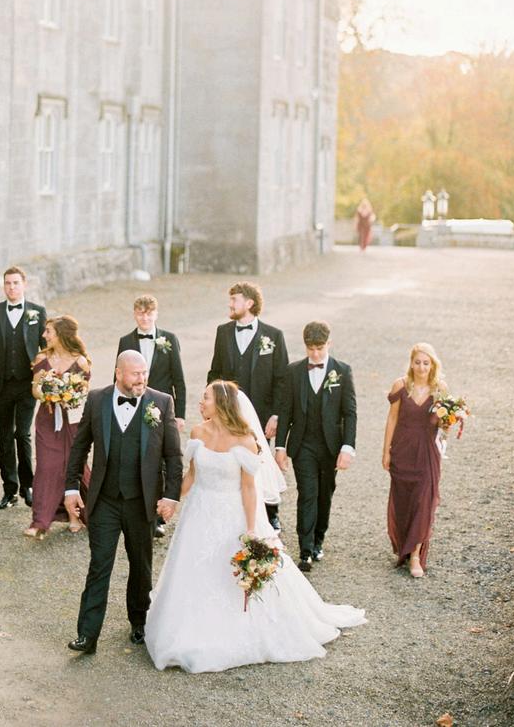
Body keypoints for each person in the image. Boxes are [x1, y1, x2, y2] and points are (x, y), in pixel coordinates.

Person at [145, 380, 365, 673]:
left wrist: (251, 529)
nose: (200, 403)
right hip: (199, 512)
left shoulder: (245, 440)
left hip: (231, 513)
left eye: (206, 398)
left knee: (228, 571)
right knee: (193, 567)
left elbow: (249, 488)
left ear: (221, 403)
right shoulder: (198, 432)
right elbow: (192, 475)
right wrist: (171, 500)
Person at [64, 350, 182, 655]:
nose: (142, 379)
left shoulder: (161, 402)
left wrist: (170, 496)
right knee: (99, 565)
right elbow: (79, 447)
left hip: (142, 501)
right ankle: (87, 635)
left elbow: (173, 455)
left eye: (144, 373)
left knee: (141, 565)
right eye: (135, 374)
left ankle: (139, 621)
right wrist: (71, 488)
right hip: (104, 500)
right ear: (119, 373)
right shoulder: (97, 400)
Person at [275, 322, 357, 572]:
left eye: (320, 348)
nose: (315, 354)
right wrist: (280, 447)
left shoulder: (342, 371)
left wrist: (347, 447)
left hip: (331, 446)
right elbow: (285, 410)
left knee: (325, 494)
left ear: (329, 344)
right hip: (303, 445)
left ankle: (319, 539)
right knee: (307, 493)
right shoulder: (293, 371)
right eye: (311, 349)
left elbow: (350, 412)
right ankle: (306, 549)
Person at [207, 281, 288, 530]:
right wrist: (212, 407)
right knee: (228, 462)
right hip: (229, 413)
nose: (230, 304)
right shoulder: (223, 332)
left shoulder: (273, 335)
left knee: (261, 461)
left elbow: (282, 380)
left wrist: (276, 415)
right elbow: (215, 372)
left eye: (235, 300)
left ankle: (270, 512)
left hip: (261, 414)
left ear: (249, 303)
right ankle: (231, 513)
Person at [0, 266, 47, 510]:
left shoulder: (37, 312)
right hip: (2, 385)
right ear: (3, 286)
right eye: (8, 283)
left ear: (24, 284)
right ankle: (9, 489)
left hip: (28, 385)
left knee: (23, 434)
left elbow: (47, 350)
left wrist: (50, 382)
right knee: (5, 436)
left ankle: (28, 486)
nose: (12, 287)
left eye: (16, 283)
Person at [116, 294, 186, 538]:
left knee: (162, 461)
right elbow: (118, 377)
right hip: (133, 405)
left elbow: (179, 379)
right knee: (138, 456)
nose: (144, 318)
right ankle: (136, 509)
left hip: (162, 408)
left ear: (156, 314)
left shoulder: (169, 339)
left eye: (148, 313)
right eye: (140, 313)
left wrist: (180, 415)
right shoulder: (125, 340)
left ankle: (158, 516)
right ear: (134, 314)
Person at [382, 342, 446, 578]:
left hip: (427, 452)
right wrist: (386, 451)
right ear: (411, 363)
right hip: (403, 450)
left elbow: (443, 423)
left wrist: (449, 421)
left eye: (426, 363)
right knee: (403, 501)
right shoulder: (401, 385)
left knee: (423, 501)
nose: (421, 367)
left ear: (433, 365)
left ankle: (416, 554)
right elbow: (392, 419)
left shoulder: (440, 388)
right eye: (417, 362)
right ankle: (405, 546)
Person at [25, 315, 91, 539]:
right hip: (47, 419)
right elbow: (35, 389)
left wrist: (69, 395)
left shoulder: (80, 361)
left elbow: (84, 392)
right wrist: (49, 395)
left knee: (72, 465)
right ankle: (40, 521)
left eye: (48, 332)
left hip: (72, 421)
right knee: (46, 466)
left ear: (61, 334)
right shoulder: (42, 358)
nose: (44, 335)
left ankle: (75, 515)